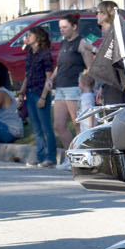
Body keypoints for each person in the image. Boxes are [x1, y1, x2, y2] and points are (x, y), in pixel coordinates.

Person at [44, 13, 91, 154]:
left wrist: (87, 84)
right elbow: (60, 65)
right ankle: (70, 155)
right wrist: (50, 79)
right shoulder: (64, 42)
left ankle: (80, 155)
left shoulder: (82, 42)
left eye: (65, 27)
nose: (62, 30)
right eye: (60, 27)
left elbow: (90, 66)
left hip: (74, 88)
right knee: (59, 125)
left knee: (77, 124)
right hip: (61, 88)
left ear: (74, 26)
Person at [21, 26, 56, 167]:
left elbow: (49, 78)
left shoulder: (45, 54)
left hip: (40, 92)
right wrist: (22, 93)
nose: (27, 37)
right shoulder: (29, 54)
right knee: (36, 128)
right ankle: (40, 156)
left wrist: (43, 97)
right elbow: (27, 75)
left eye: (30, 34)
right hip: (30, 92)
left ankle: (51, 157)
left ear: (38, 37)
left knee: (46, 126)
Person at [86, 1, 125, 106]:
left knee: (113, 117)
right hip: (110, 82)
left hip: (116, 84)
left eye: (98, 12)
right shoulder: (110, 32)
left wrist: (93, 49)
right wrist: (101, 86)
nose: (96, 15)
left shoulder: (114, 33)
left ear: (105, 15)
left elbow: (109, 60)